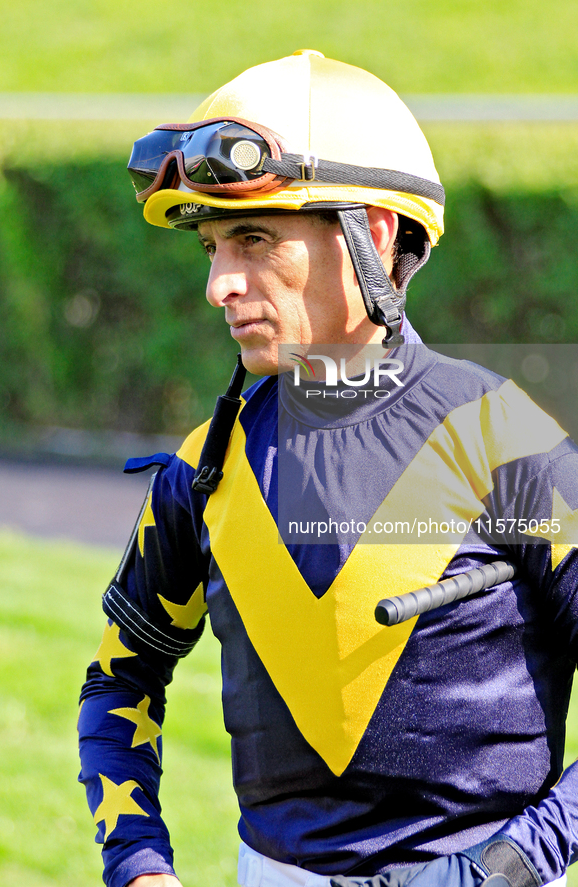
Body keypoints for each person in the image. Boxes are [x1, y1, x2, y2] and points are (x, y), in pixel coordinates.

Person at [78, 50, 578, 887]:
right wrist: (139, 865)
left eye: (254, 238)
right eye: (209, 246)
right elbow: (119, 680)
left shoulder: (509, 445)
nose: (220, 285)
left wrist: (514, 861)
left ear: (373, 236)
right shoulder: (201, 470)